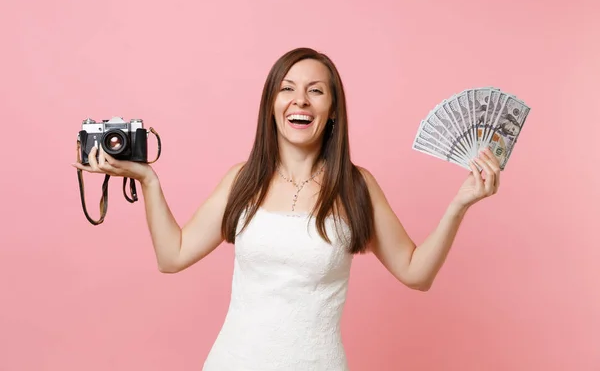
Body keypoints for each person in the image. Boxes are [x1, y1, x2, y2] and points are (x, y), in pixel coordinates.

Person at [72, 47, 501, 370]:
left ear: (332, 111)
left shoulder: (355, 186)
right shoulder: (242, 179)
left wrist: (459, 205)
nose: (300, 101)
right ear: (271, 106)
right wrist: (148, 179)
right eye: (287, 89)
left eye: (316, 91)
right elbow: (173, 255)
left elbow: (416, 272)